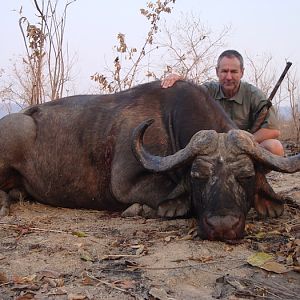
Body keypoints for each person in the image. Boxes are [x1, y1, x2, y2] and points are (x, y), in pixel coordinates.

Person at [161, 49, 284, 156]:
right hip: (212, 152)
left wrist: (246, 141)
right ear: (217, 72)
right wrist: (180, 80)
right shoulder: (207, 90)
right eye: (224, 71)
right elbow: (190, 94)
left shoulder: (254, 95)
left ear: (242, 72)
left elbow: (273, 130)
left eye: (234, 72)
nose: (229, 77)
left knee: (275, 147)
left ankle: (251, 177)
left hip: (244, 152)